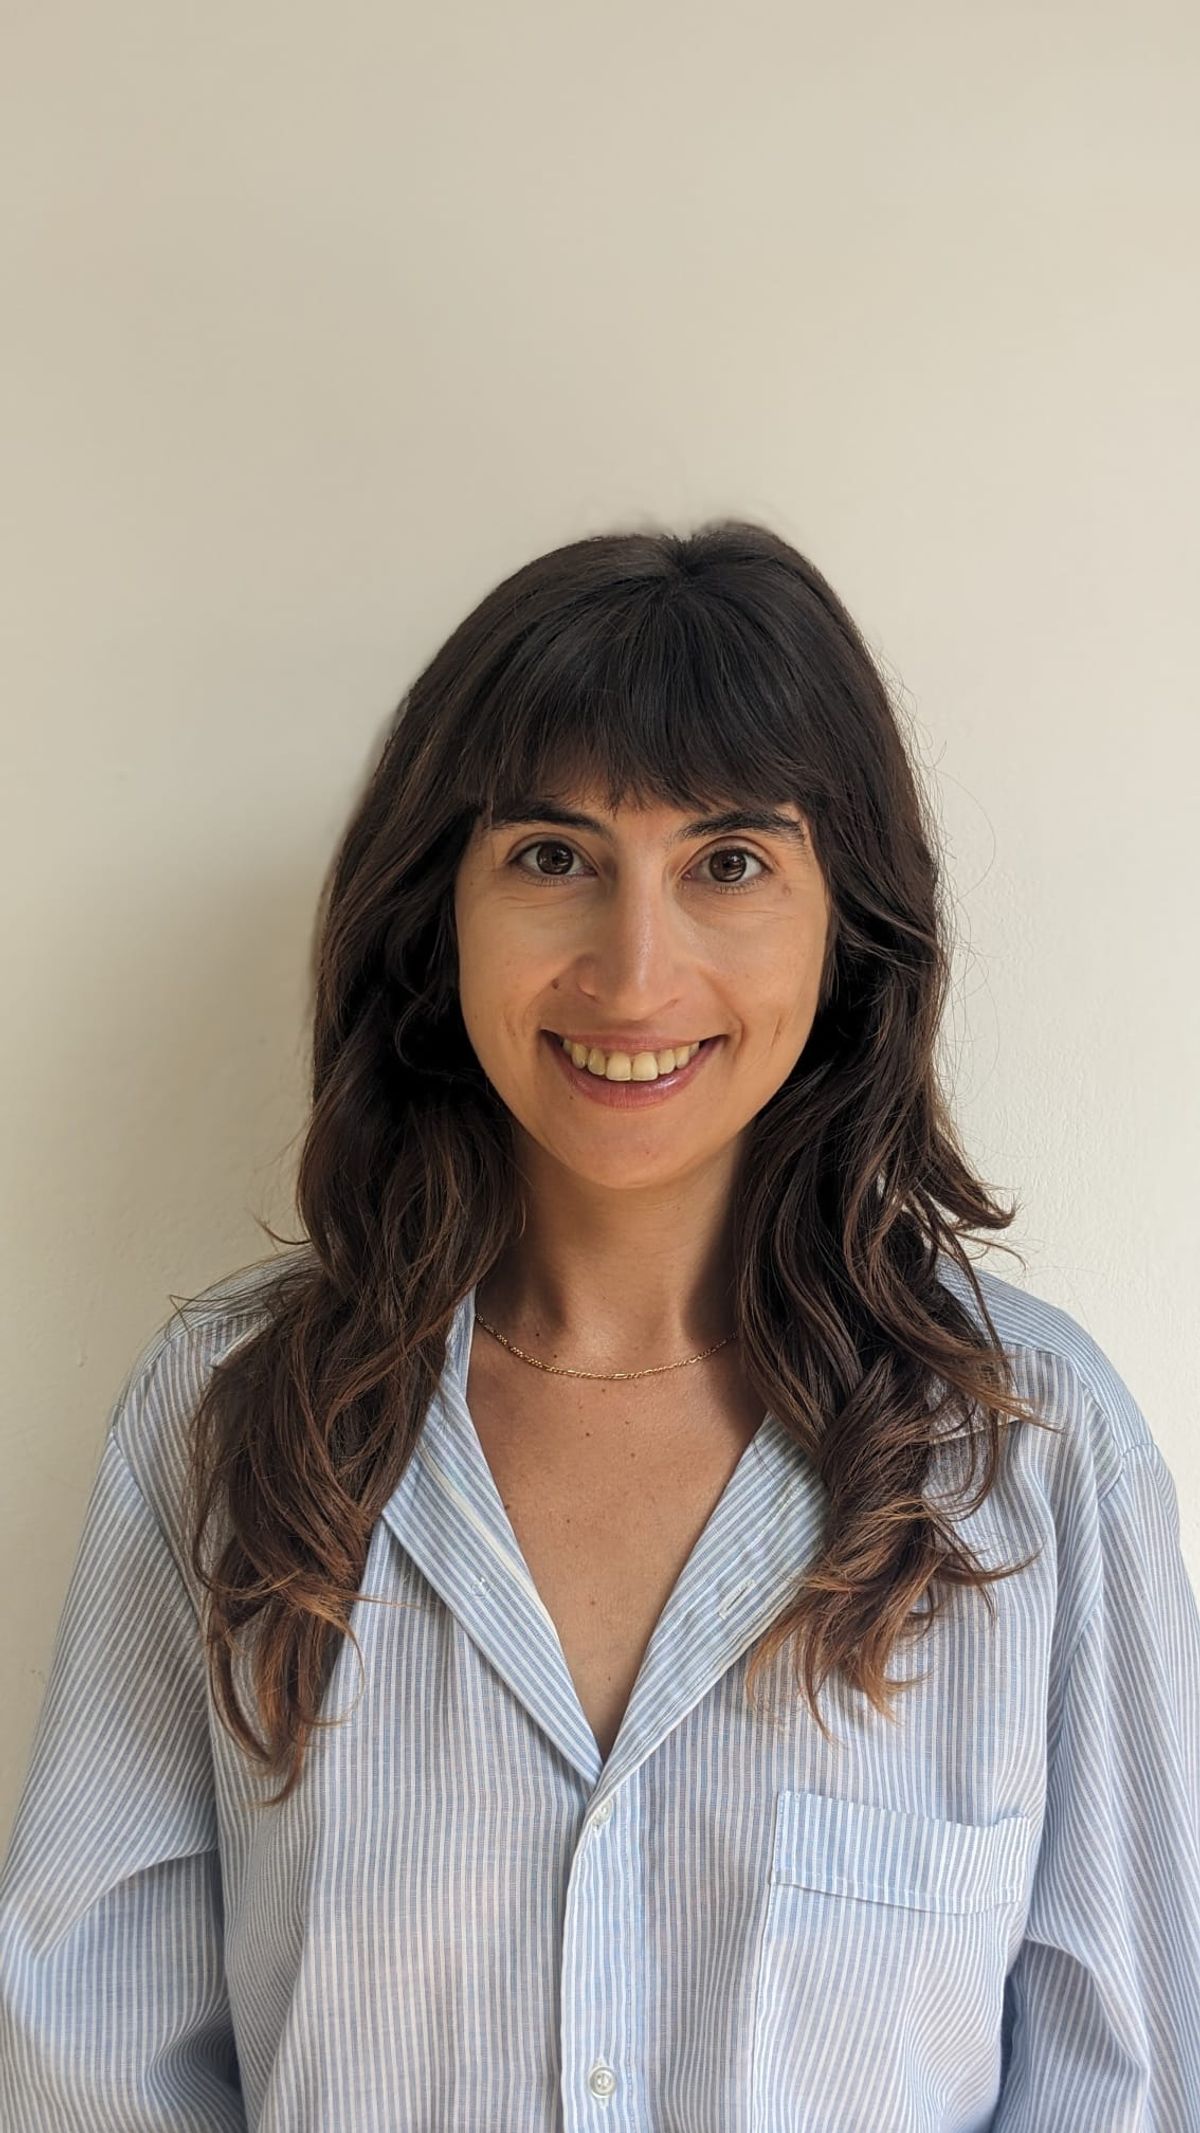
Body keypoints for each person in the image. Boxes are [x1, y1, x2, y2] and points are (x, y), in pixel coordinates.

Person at [0, 519, 1196, 2131]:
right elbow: (92, 2069)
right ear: (442, 910)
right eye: (553, 856)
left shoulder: (1033, 1460)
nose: (635, 970)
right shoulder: (226, 1422)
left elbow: (1131, 2084)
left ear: (848, 923)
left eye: (729, 862)